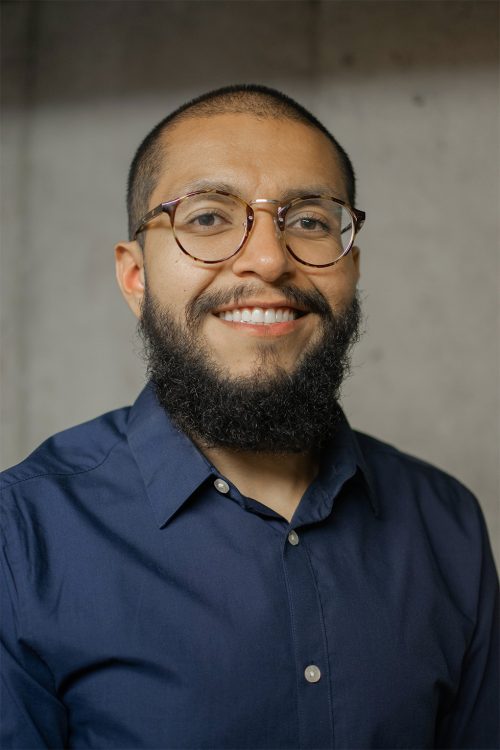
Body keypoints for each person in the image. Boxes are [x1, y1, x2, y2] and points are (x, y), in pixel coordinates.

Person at [1, 84, 498, 750]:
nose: (267, 259)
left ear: (351, 266)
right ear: (135, 277)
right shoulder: (21, 538)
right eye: (207, 217)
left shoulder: (448, 524)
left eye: (311, 221)